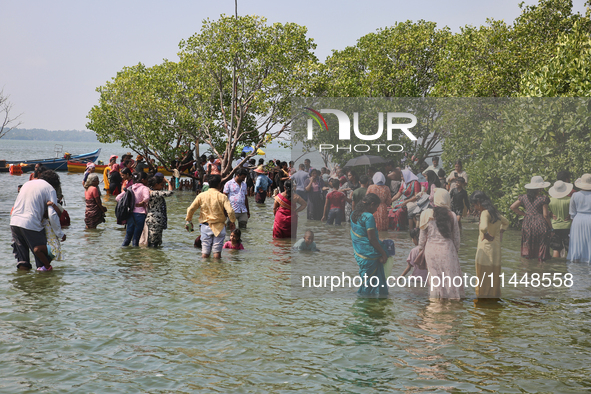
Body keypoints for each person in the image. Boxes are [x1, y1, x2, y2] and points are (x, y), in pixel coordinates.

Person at [10, 170, 66, 271]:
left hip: (14, 222)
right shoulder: (50, 189)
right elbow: (52, 214)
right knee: (43, 260)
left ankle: (22, 283)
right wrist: (60, 234)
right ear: (54, 184)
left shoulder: (27, 184)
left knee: (23, 261)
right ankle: (42, 283)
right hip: (31, 224)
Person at [418, 188, 464, 299]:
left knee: (435, 278)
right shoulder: (452, 215)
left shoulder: (426, 214)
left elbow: (422, 239)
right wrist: (455, 251)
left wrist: (421, 250)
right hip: (448, 249)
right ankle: (451, 302)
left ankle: (435, 303)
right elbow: (456, 238)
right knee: (450, 277)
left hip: (431, 250)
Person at [185, 175, 237, 258]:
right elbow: (230, 211)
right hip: (219, 226)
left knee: (205, 253)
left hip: (205, 226)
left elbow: (191, 209)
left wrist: (189, 221)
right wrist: (232, 221)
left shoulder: (201, 195)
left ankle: (205, 269)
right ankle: (217, 269)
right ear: (219, 185)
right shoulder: (223, 196)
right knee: (217, 253)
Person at [470, 191, 509, 299]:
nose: (475, 208)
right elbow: (506, 222)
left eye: (474, 205)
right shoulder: (495, 213)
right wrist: (500, 232)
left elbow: (483, 227)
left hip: (485, 250)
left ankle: (482, 301)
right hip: (496, 250)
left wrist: (486, 234)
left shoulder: (485, 213)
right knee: (494, 277)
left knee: (482, 277)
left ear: (478, 202)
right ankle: (493, 300)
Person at [350, 193, 389, 297]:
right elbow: (372, 239)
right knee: (369, 285)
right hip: (369, 255)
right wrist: (383, 253)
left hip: (359, 253)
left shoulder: (353, 214)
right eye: (376, 207)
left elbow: (362, 235)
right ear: (371, 204)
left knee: (366, 280)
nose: (376, 210)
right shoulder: (368, 217)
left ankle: (364, 302)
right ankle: (366, 306)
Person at [510, 176, 551, 261]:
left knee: (528, 242)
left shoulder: (524, 197)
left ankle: (528, 265)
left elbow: (513, 207)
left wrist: (524, 214)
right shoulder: (543, 199)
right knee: (542, 244)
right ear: (539, 188)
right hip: (540, 222)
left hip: (527, 222)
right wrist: (551, 228)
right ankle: (541, 265)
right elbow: (545, 215)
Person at [116, 171, 150, 247]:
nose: (147, 181)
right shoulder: (144, 188)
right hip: (140, 214)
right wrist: (142, 202)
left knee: (127, 237)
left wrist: (129, 204)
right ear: (143, 180)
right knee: (136, 239)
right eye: (147, 179)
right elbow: (147, 197)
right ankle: (135, 257)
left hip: (130, 214)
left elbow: (117, 198)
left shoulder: (130, 187)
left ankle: (123, 254)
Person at [567, 174, 591, 263]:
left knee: (577, 242)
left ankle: (577, 260)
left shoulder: (575, 195)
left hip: (578, 220)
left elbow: (572, 213)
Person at [145, 175, 174, 247]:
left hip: (151, 218)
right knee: (154, 243)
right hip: (155, 219)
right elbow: (170, 192)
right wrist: (168, 182)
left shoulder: (148, 191)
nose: (162, 187)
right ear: (156, 184)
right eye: (161, 185)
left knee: (152, 240)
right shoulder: (154, 193)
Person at [548, 180, 573, 258]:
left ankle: (556, 266)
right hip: (568, 226)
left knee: (556, 248)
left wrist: (550, 214)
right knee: (569, 248)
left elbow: (544, 212)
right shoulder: (570, 200)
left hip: (555, 226)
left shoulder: (550, 200)